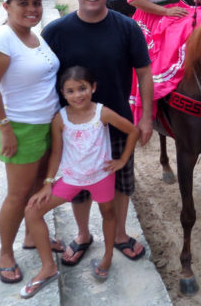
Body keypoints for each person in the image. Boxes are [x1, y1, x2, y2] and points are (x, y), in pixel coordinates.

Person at [42, 0, 153, 264]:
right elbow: (42, 78)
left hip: (116, 120)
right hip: (74, 126)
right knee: (79, 185)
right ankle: (82, 234)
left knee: (121, 182)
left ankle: (119, 234)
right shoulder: (55, 32)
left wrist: (146, 118)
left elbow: (144, 74)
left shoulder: (128, 28)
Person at [20, 66, 140, 298]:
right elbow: (56, 153)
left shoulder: (102, 113)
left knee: (108, 214)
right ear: (63, 94)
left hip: (101, 178)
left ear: (93, 88)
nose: (78, 95)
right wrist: (47, 183)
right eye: (71, 91)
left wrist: (121, 160)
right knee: (32, 211)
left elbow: (132, 131)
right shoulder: (60, 118)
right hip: (71, 179)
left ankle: (107, 257)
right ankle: (48, 267)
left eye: (82, 88)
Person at [0, 0, 64, 285]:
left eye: (36, 3)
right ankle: (5, 252)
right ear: (6, 7)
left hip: (45, 124)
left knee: (39, 188)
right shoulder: (1, 41)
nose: (32, 9)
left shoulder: (33, 36)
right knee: (17, 196)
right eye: (23, 4)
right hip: (20, 126)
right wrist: (5, 129)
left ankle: (32, 235)